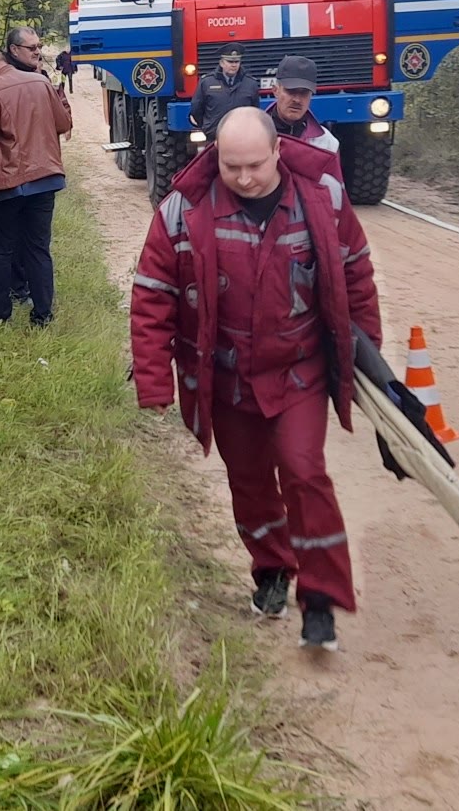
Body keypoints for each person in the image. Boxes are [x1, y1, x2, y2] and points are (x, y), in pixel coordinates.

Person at [129, 107, 381, 651]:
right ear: (215, 154)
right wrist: (155, 381)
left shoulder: (323, 200)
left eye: (255, 166)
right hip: (223, 378)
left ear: (278, 153)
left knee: (304, 471)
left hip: (298, 371)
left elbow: (356, 275)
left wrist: (368, 357)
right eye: (231, 165)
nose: (244, 178)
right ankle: (271, 569)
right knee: (247, 482)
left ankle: (321, 598)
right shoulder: (182, 211)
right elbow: (152, 295)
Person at [0, 42, 73, 327]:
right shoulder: (41, 82)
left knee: (1, 246)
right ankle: (42, 314)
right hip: (46, 178)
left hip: (7, 182)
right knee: (38, 247)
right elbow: (63, 124)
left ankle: (1, 314)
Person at [266, 54, 339, 154]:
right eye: (291, 91)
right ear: (275, 90)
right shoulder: (253, 136)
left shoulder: (327, 144)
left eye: (304, 93)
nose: (297, 100)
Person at [189, 45, 261, 140]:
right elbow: (196, 109)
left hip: (243, 138)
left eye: (237, 62)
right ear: (222, 63)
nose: (234, 65)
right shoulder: (206, 83)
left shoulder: (251, 84)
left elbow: (255, 111)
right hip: (215, 137)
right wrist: (208, 127)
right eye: (230, 61)